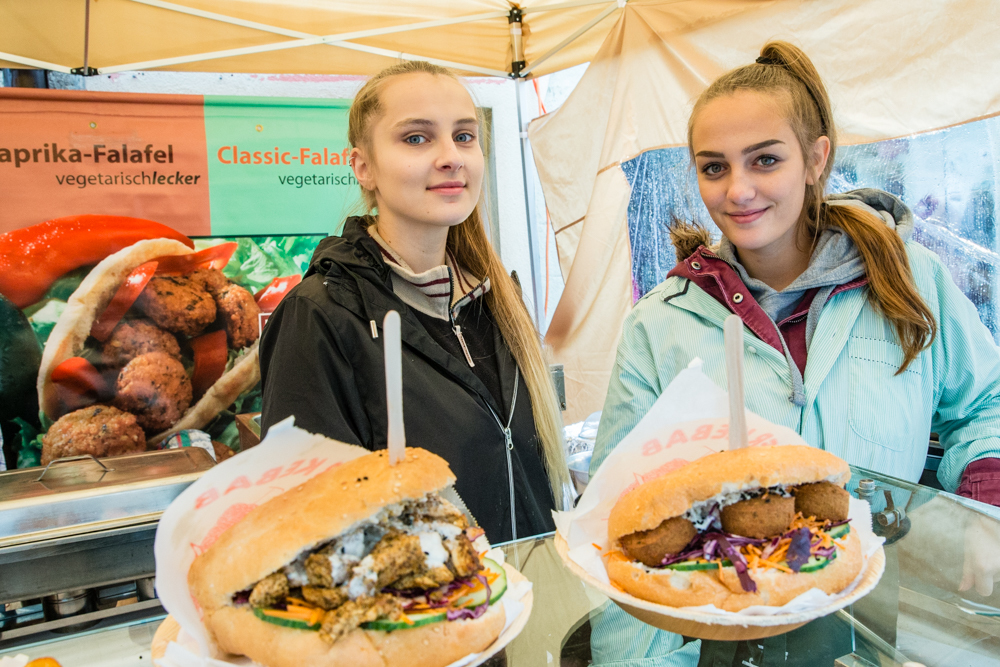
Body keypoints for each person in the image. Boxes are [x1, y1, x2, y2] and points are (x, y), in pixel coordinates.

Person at [591, 41, 1000, 665]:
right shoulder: (659, 324)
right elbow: (623, 521)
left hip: (873, 630)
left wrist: (985, 504)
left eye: (765, 160)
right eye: (713, 167)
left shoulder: (910, 279)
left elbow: (986, 404)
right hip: (718, 639)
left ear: (815, 158)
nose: (739, 190)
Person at [259, 60, 571, 544]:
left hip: (537, 586)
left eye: (464, 136)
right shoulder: (320, 315)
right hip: (434, 592)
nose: (451, 157)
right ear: (363, 167)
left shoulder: (497, 301)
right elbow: (308, 522)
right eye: (417, 138)